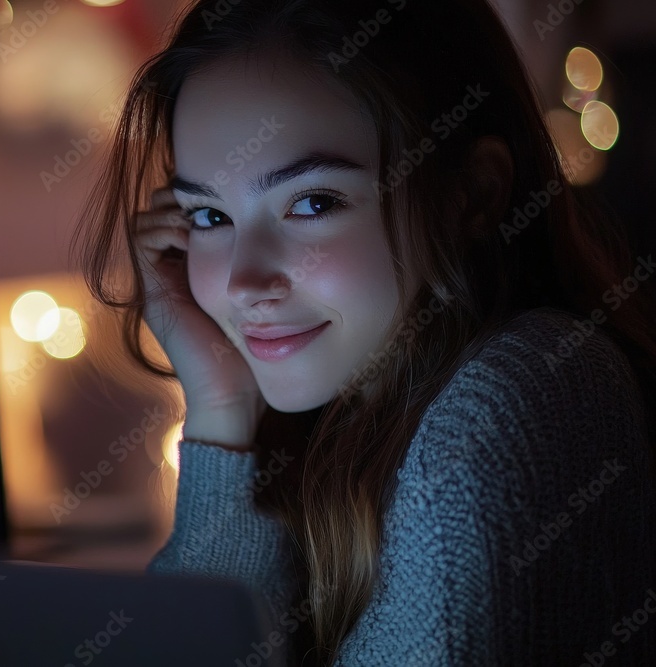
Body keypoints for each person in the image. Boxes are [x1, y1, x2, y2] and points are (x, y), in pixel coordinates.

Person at [71, 0, 656, 664]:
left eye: (313, 202)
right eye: (208, 215)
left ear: (474, 194)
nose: (241, 281)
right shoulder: (346, 417)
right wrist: (219, 403)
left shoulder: (526, 389)